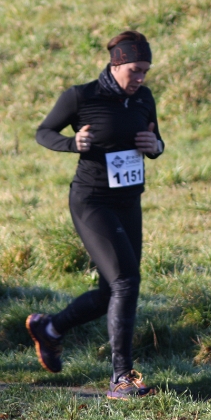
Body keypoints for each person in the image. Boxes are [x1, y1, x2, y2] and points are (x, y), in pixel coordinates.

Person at [26, 30, 164, 400]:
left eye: (145, 71)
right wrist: (72, 143)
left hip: (129, 201)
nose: (140, 78)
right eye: (135, 70)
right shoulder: (82, 96)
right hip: (92, 201)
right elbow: (43, 132)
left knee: (111, 290)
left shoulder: (144, 98)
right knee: (126, 282)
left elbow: (156, 138)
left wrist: (155, 145)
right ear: (116, 64)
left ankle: (50, 329)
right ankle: (121, 378)